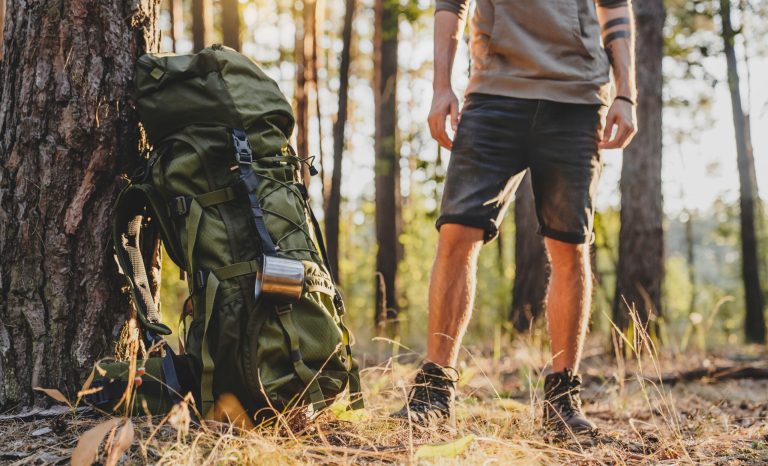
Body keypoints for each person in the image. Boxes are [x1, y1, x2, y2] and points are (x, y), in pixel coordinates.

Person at [392, 0, 638, 434]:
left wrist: (626, 92)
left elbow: (615, 9)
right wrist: (440, 87)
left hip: (576, 97)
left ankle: (562, 398)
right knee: (456, 232)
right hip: (493, 92)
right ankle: (433, 391)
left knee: (570, 245)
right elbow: (451, 4)